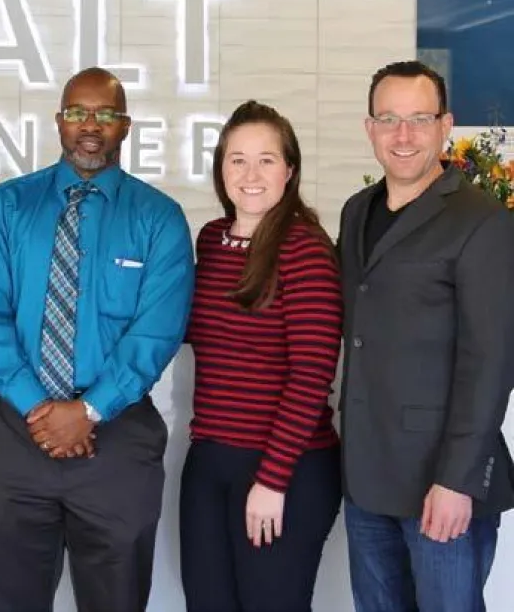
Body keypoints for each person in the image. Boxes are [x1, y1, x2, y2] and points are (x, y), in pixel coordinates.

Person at [0, 66, 194, 612]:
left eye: (106, 114)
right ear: (59, 122)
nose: (91, 125)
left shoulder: (159, 219)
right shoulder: (6, 207)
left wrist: (88, 410)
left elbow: (156, 333)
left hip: (116, 442)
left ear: (126, 126)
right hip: (17, 435)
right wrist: (41, 409)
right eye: (78, 113)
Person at [338, 60, 514, 612]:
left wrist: (459, 480)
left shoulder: (482, 220)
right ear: (370, 129)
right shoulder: (356, 211)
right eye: (388, 119)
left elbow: (490, 360)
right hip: (366, 477)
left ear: (446, 125)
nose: (403, 135)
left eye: (419, 118)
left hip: (440, 483)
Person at [180, 100, 343, 612]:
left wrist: (272, 480)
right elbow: (195, 331)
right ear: (221, 169)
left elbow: (312, 374)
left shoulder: (305, 248)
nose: (251, 174)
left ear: (289, 170)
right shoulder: (212, 239)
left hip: (285, 470)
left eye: (267, 159)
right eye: (237, 159)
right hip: (209, 461)